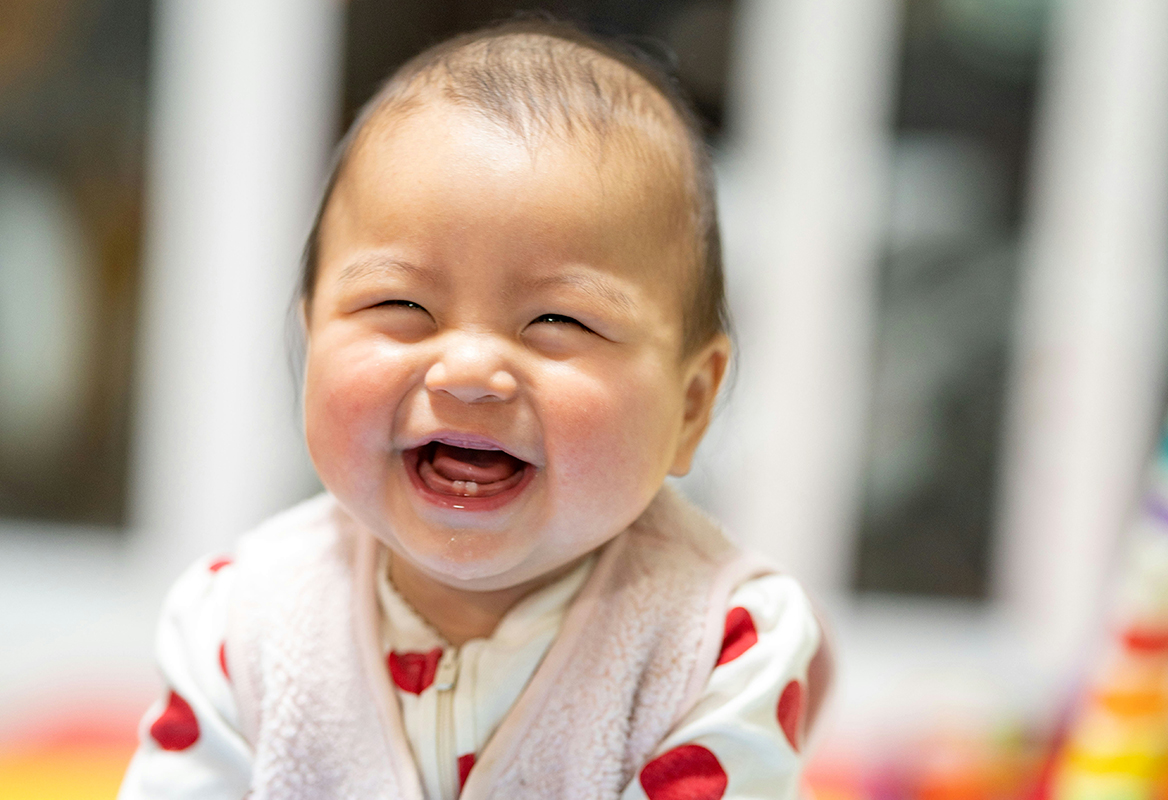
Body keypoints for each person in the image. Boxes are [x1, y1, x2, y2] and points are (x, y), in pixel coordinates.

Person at [119, 19, 831, 800]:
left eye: (559, 321)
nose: (467, 371)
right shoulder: (240, 623)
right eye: (400, 303)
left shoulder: (717, 641)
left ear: (690, 407)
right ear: (312, 334)